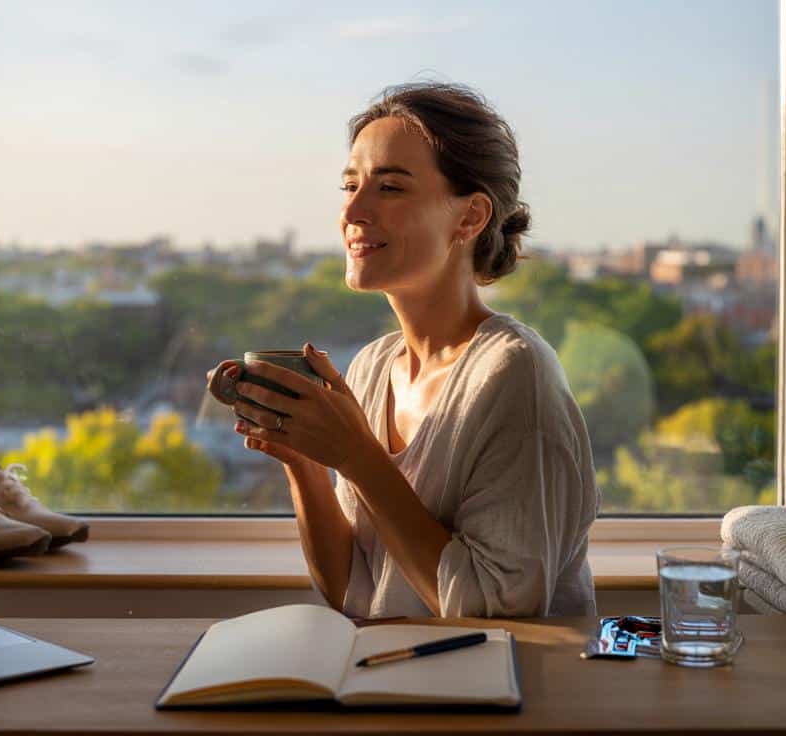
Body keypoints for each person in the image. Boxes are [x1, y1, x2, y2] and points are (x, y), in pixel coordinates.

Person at [207, 82, 598, 618]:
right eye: (349, 186)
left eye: (389, 188)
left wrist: (358, 457)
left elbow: (500, 614)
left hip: (499, 693)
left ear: (469, 217)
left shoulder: (514, 375)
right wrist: (302, 457)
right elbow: (354, 589)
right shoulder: (372, 368)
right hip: (389, 684)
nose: (354, 212)